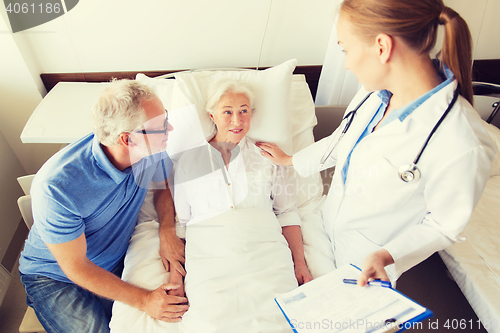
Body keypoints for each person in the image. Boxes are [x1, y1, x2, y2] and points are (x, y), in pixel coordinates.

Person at [256, 0, 496, 286]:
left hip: (365, 260)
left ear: (382, 47)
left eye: (345, 49)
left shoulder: (462, 139)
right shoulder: (373, 94)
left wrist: (386, 255)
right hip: (324, 225)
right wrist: (290, 160)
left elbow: (443, 225)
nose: (345, 63)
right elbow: (343, 140)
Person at [18, 80, 189, 333]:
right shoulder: (56, 187)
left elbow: (162, 183)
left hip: (111, 261)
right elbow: (76, 268)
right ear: (127, 139)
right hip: (56, 277)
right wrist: (145, 300)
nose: (170, 128)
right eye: (161, 126)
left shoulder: (149, 149)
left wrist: (166, 230)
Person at [167, 78, 312, 330]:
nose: (237, 120)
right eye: (228, 112)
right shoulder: (188, 161)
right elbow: (182, 225)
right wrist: (175, 275)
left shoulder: (269, 156)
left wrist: (299, 263)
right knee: (209, 323)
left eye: (244, 111)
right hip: (210, 259)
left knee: (278, 321)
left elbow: (287, 212)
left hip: (265, 254)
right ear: (211, 115)